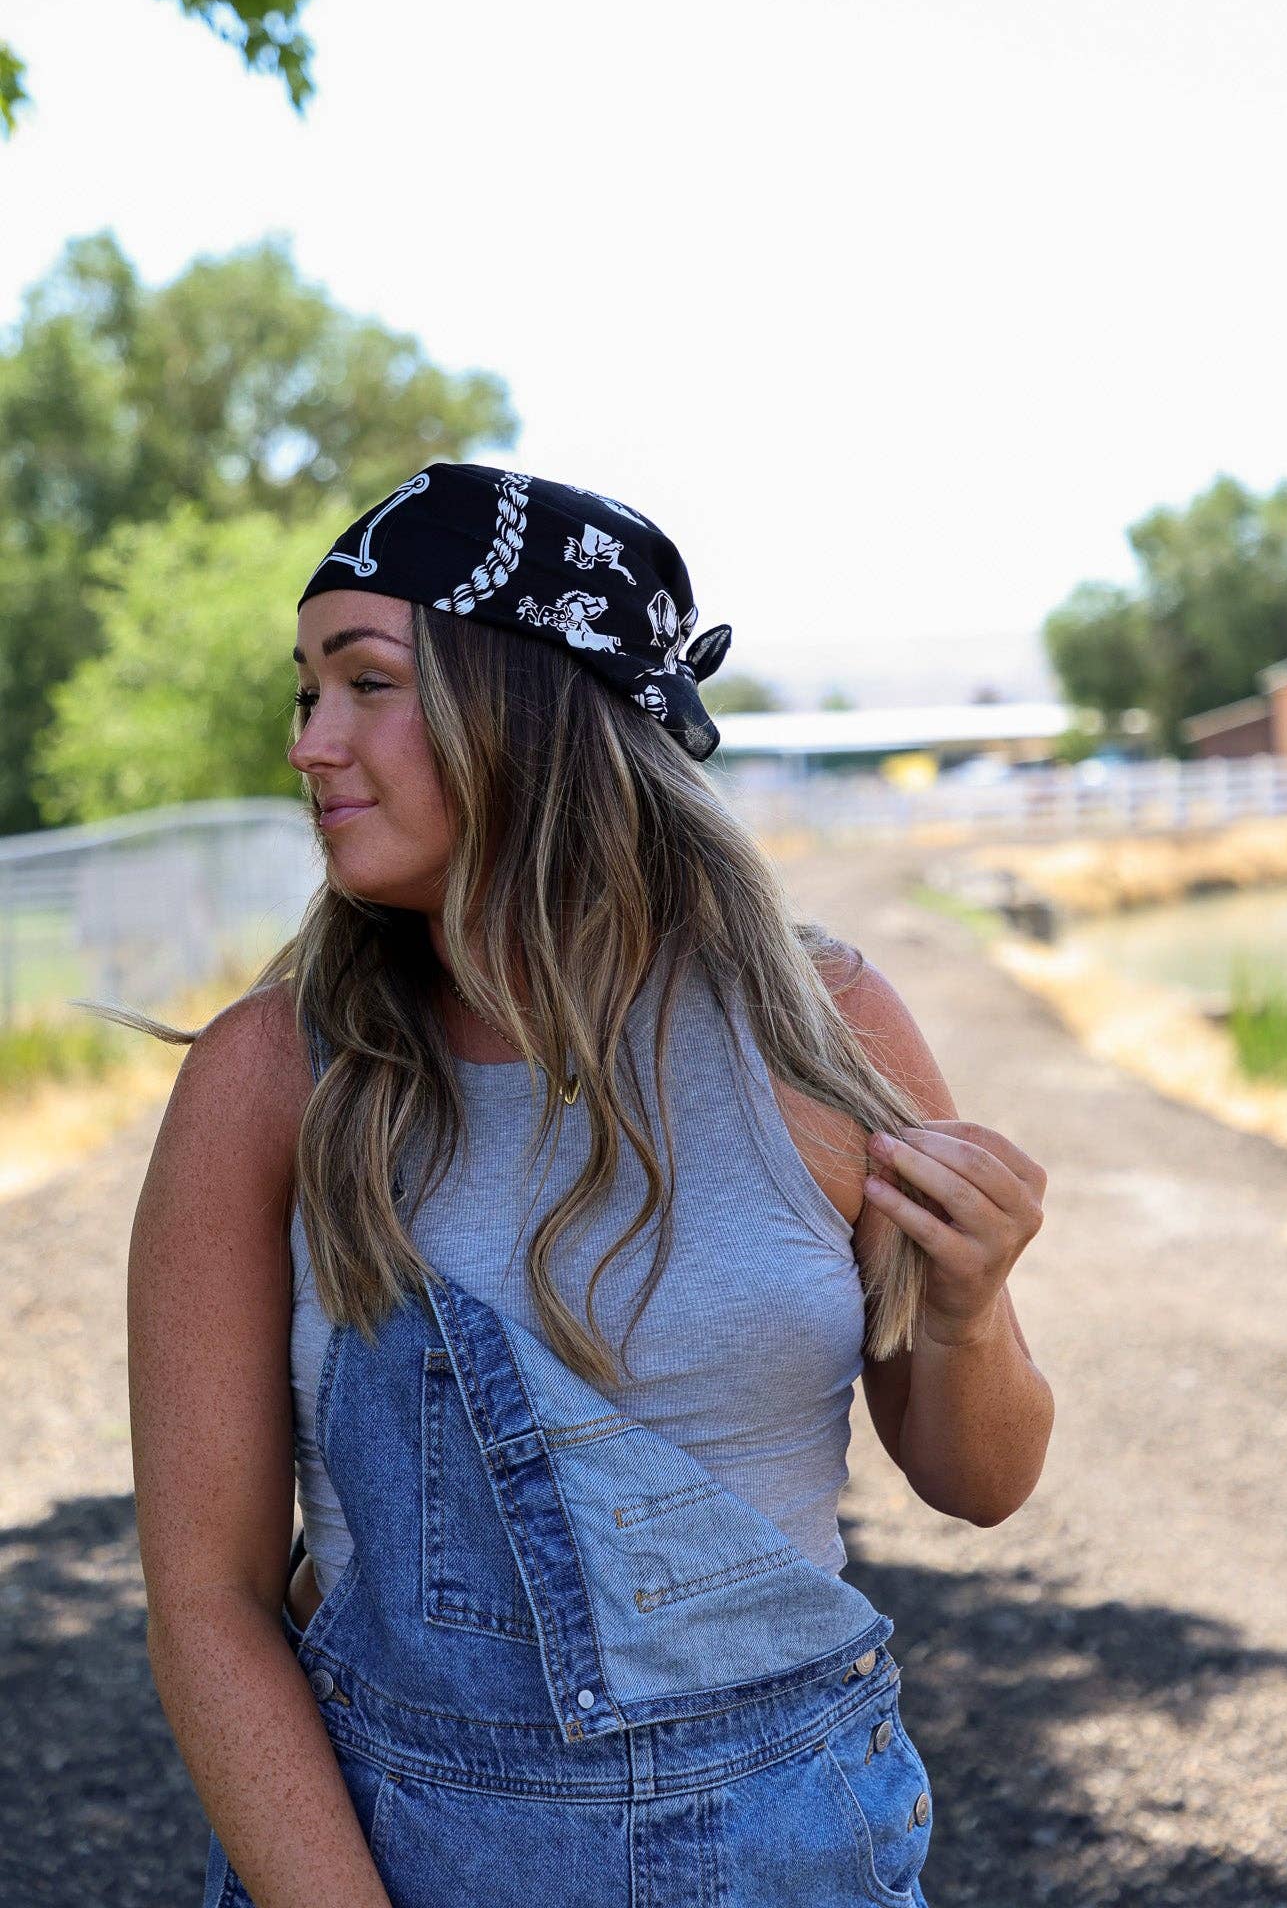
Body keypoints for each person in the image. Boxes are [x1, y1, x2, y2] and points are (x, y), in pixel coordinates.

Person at [121, 463, 1054, 1907]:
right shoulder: (271, 1080)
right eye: (305, 693)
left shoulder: (820, 1031)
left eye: (365, 682)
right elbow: (209, 1603)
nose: (310, 743)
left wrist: (971, 1311)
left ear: (530, 706)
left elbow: (979, 1483)